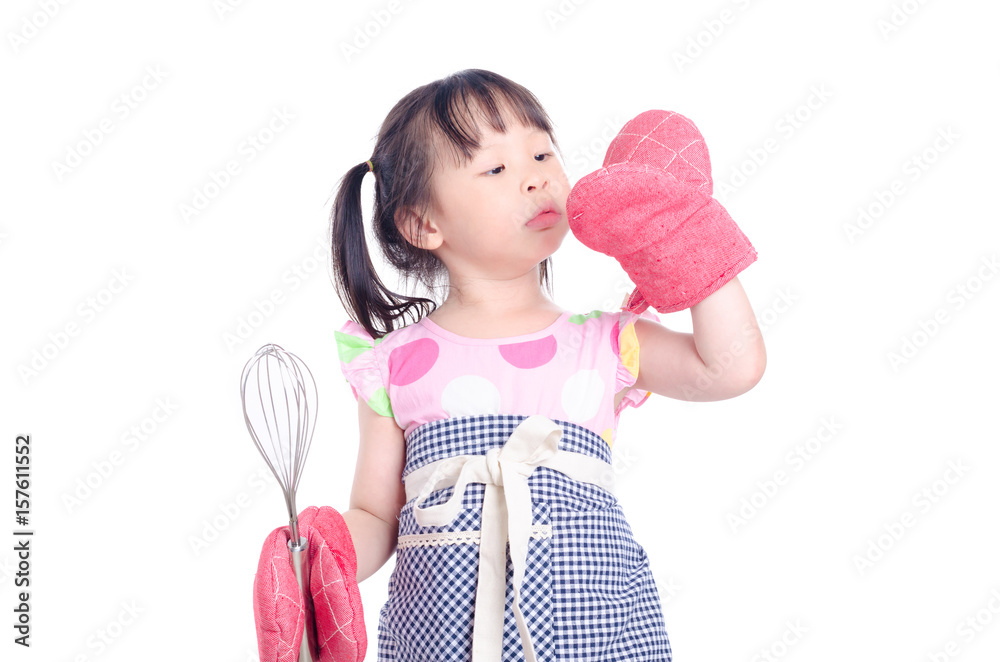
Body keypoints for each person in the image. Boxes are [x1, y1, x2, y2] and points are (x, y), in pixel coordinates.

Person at [257, 68, 766, 662]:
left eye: (542, 152)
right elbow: (375, 514)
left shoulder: (605, 344)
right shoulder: (393, 365)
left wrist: (681, 232)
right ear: (424, 223)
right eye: (496, 168)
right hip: (440, 641)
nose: (535, 178)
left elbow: (730, 367)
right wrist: (326, 558)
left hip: (595, 632)